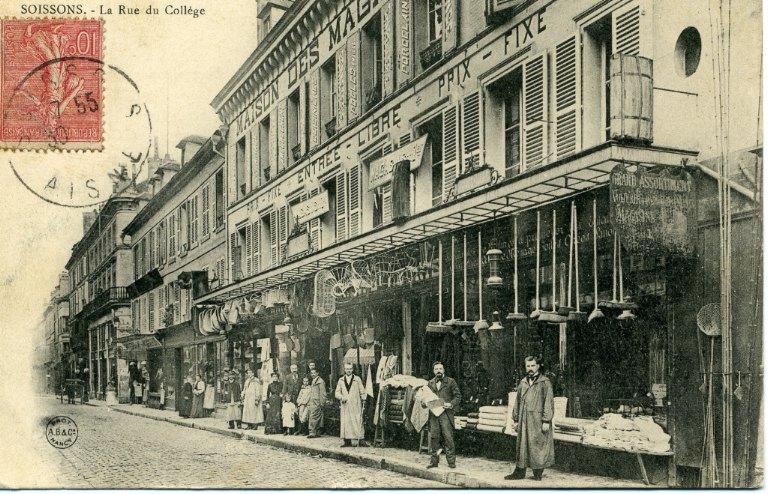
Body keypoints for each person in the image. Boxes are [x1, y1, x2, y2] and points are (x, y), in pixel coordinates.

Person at [505, 356, 555, 481]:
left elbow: (548, 402)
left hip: (538, 419)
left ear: (538, 366)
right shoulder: (523, 382)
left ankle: (538, 472)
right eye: (528, 366)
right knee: (522, 445)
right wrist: (516, 419)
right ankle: (519, 472)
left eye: (533, 365)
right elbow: (517, 401)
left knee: (537, 445)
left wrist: (546, 420)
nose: (530, 368)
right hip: (524, 419)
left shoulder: (545, 382)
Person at [425, 361, 461, 469]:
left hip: (446, 414)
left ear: (444, 370)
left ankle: (451, 463)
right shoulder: (430, 383)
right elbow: (426, 398)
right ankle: (434, 462)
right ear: (433, 371)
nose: (438, 371)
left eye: (440, 369)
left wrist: (451, 404)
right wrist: (423, 402)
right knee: (434, 438)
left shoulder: (451, 382)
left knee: (448, 438)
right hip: (434, 415)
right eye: (436, 369)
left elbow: (458, 396)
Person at [335, 363, 367, 447]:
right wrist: (341, 397)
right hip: (345, 405)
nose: (348, 370)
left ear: (352, 369)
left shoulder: (357, 379)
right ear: (344, 370)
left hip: (355, 404)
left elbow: (362, 391)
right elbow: (337, 393)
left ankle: (361, 439)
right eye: (347, 369)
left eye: (350, 369)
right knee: (346, 422)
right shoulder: (341, 380)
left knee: (357, 420)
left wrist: (363, 398)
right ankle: (347, 441)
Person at [307, 368, 326, 438]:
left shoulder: (320, 382)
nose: (313, 374)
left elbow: (323, 393)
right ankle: (316, 432)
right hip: (312, 401)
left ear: (317, 373)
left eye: (314, 373)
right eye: (311, 373)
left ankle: (312, 432)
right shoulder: (314, 381)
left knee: (314, 416)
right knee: (314, 416)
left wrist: (322, 403)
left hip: (317, 402)